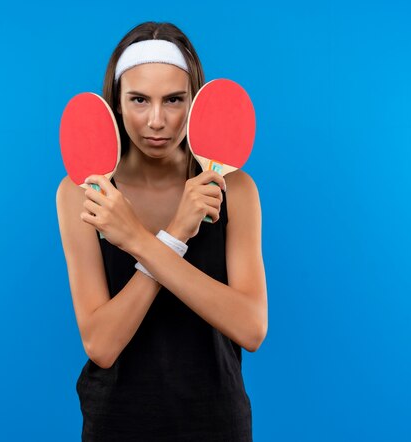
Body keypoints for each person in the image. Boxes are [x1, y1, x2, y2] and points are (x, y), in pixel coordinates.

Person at [56, 21, 268, 441]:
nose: (157, 121)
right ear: (116, 102)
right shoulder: (84, 192)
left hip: (217, 421)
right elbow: (102, 344)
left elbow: (251, 328)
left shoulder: (236, 189)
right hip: (116, 422)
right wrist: (175, 234)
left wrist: (136, 238)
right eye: (139, 100)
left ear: (195, 101)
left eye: (174, 100)